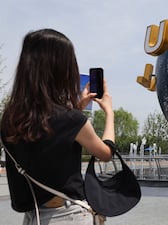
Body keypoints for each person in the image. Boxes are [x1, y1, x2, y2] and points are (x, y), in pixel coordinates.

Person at [0, 29, 115, 225]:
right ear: (61, 69)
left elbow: (47, 132)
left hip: (32, 217)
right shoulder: (71, 121)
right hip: (67, 216)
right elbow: (106, 152)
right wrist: (109, 113)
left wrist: (76, 109)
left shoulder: (11, 119)